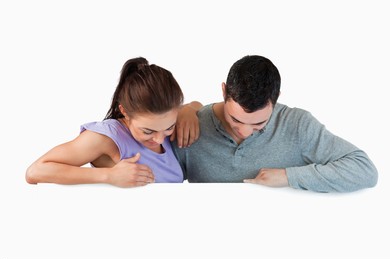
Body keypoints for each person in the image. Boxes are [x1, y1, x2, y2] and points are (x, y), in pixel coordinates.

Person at [173, 55, 378, 192]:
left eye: (259, 123)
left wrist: (289, 176)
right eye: (235, 119)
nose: (244, 132)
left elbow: (363, 169)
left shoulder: (297, 125)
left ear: (276, 98)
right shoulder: (192, 126)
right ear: (224, 92)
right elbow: (162, 179)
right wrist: (183, 109)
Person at [26, 57, 199, 187]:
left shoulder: (167, 118)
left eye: (169, 127)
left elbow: (197, 105)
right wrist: (108, 175)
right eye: (148, 131)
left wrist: (190, 110)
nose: (160, 139)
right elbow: (35, 171)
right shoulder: (107, 137)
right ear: (124, 111)